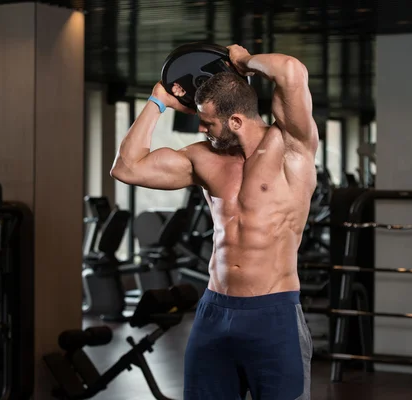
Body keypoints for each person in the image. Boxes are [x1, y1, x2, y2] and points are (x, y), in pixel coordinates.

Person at [111, 44, 318, 400]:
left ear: (235, 120)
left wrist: (243, 61)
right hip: (214, 312)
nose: (201, 127)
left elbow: (290, 69)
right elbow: (126, 168)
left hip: (273, 314)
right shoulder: (203, 159)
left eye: (207, 121)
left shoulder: (291, 147)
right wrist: (158, 100)